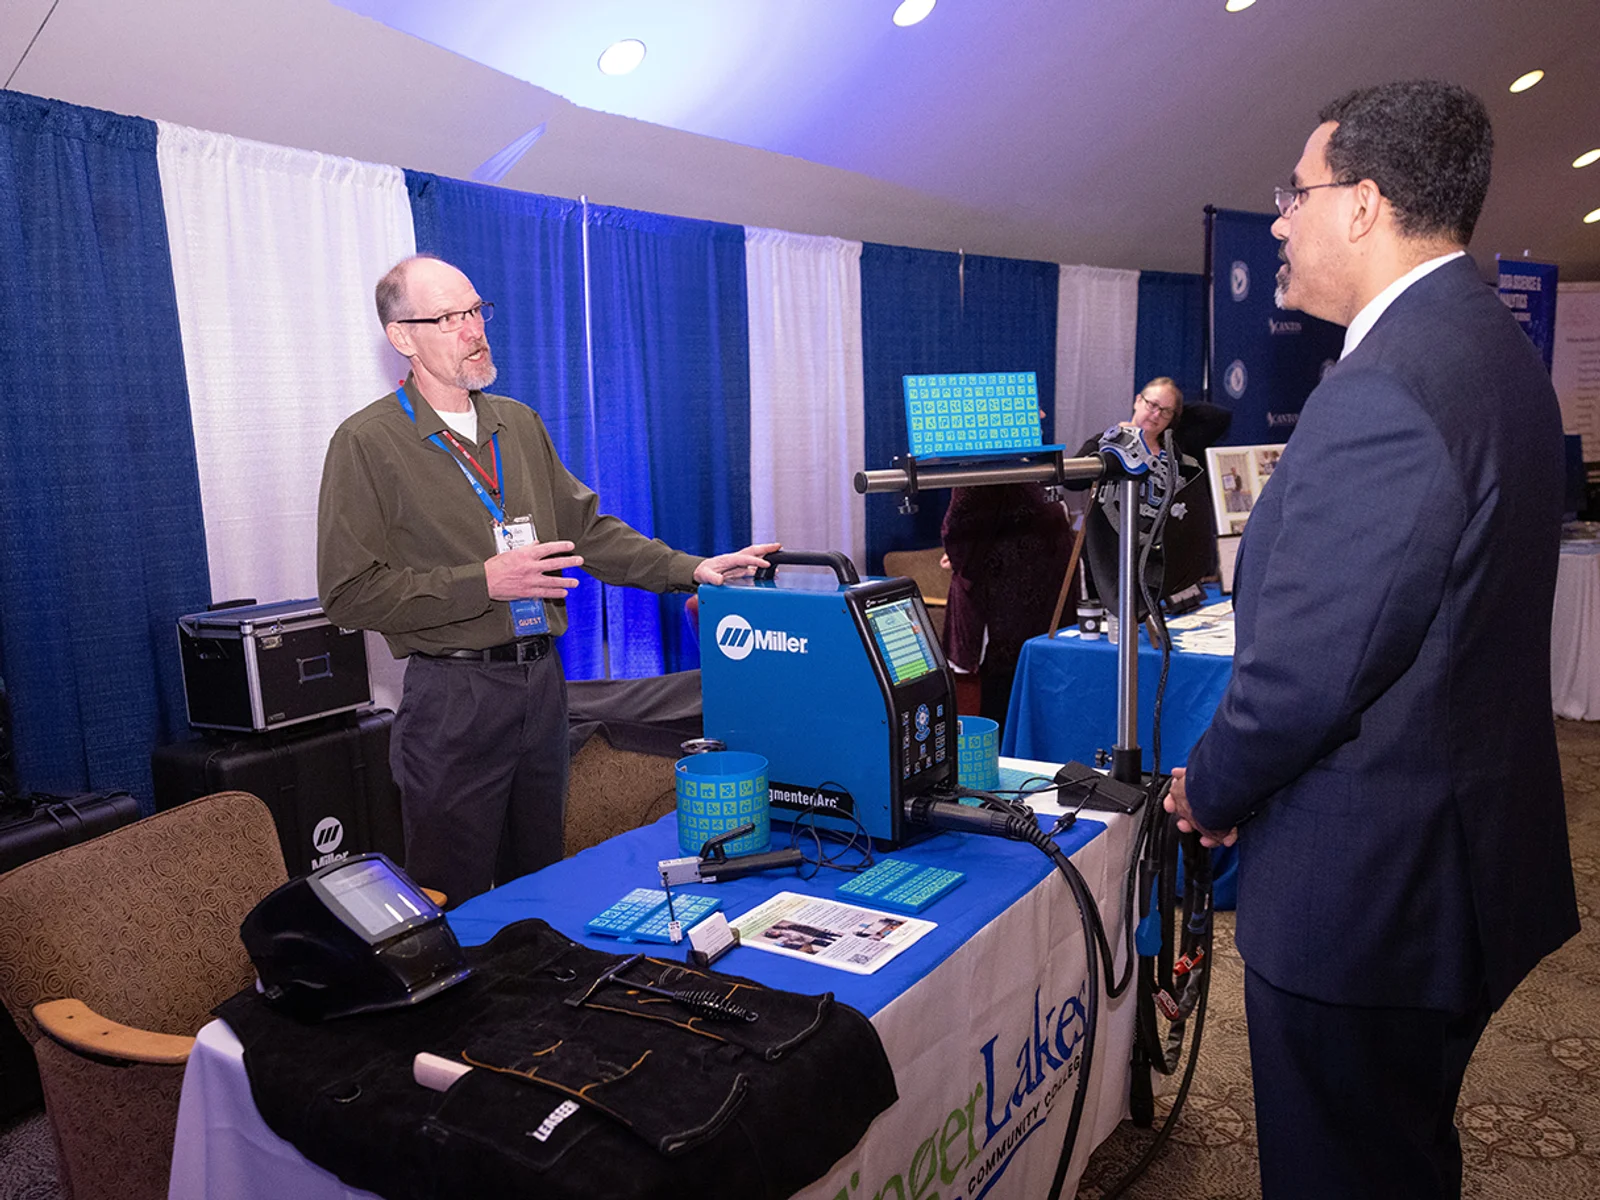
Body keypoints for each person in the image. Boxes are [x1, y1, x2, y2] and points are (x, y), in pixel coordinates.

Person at [1164, 81, 1578, 1199]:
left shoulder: (1384, 387)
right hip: (1456, 860)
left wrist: (1205, 790)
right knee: (1397, 1156)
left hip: (1372, 899)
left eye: (1293, 196)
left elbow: (1306, 678)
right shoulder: (1486, 349)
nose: (1280, 224)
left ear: (1363, 204)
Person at [317, 254, 776, 906]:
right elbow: (347, 591)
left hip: (541, 685)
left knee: (540, 886)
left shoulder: (518, 424)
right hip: (454, 697)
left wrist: (689, 570)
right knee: (459, 901)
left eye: (477, 310)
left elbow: (586, 534)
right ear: (402, 336)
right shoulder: (366, 442)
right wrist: (483, 581)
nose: (474, 329)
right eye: (450, 318)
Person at [939, 481, 1073, 730]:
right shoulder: (1028, 476)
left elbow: (957, 530)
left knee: (1004, 692)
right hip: (1045, 602)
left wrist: (964, 562)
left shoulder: (978, 478)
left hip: (1006, 608)